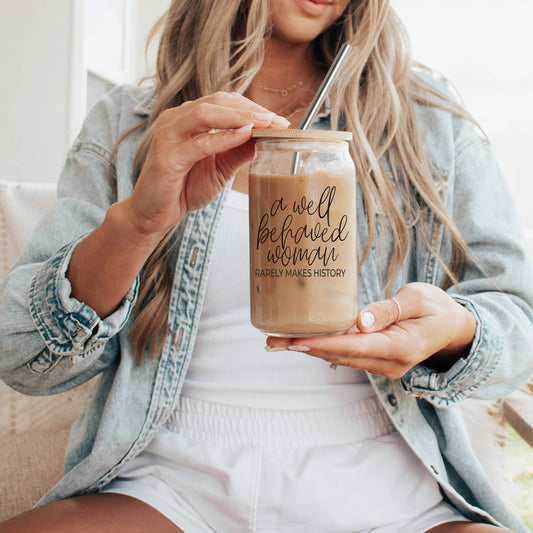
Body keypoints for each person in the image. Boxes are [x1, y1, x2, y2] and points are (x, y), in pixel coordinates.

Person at [0, 0, 532, 531]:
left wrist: (454, 330)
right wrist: (136, 225)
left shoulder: (429, 123)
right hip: (173, 481)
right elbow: (21, 358)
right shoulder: (133, 123)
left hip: (388, 484)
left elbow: (519, 319)